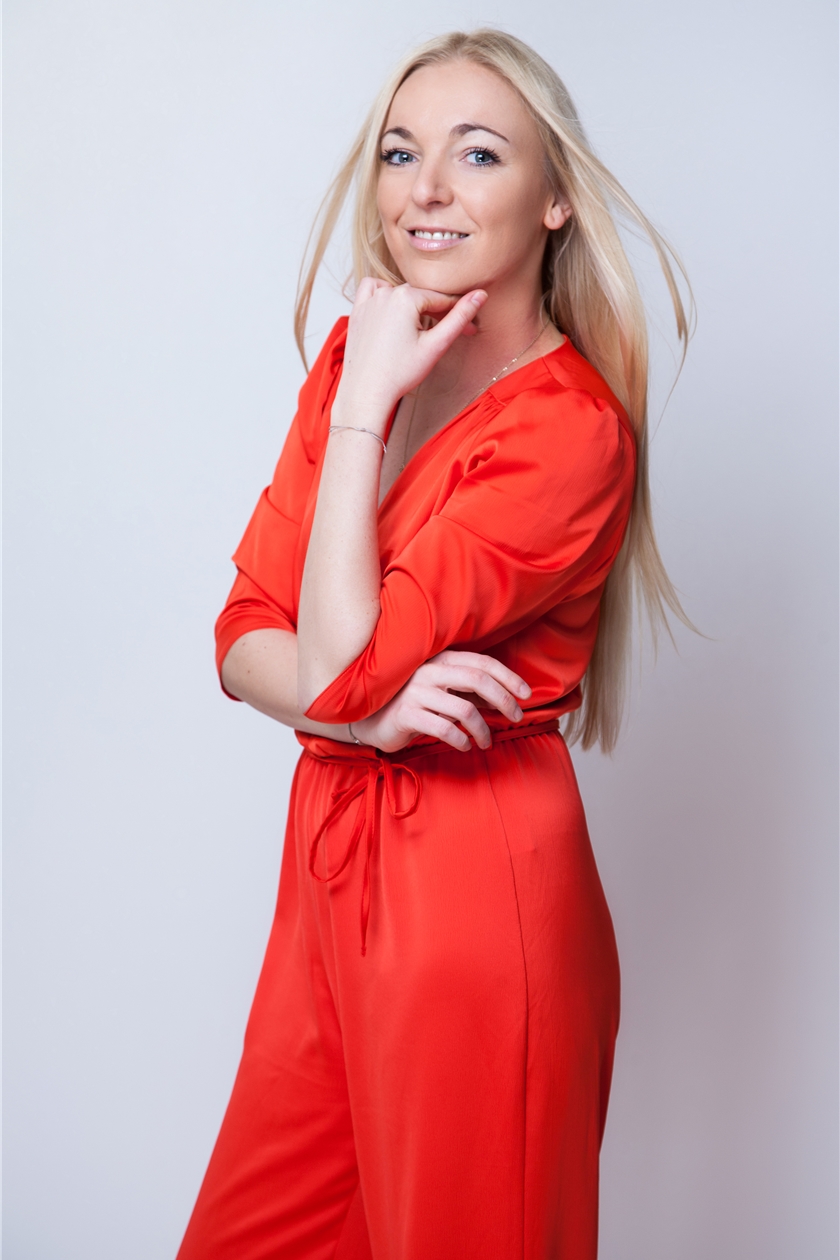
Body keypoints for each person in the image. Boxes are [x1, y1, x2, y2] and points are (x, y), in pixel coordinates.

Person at [176, 28, 691, 1260]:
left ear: (556, 199)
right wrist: (358, 718)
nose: (428, 188)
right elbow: (244, 637)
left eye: (479, 154)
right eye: (401, 153)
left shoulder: (569, 433)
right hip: (328, 880)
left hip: (472, 896)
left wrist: (365, 412)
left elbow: (324, 659)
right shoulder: (356, 362)